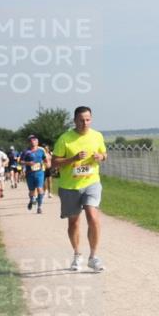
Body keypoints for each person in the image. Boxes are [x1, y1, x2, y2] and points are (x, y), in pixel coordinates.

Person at [52, 107, 107, 272]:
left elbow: (105, 154)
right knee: (74, 222)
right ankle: (77, 255)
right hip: (70, 186)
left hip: (91, 182)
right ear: (74, 120)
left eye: (88, 119)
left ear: (91, 119)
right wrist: (73, 159)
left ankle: (93, 257)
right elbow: (54, 162)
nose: (85, 123)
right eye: (81, 120)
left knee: (93, 216)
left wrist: (101, 157)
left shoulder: (97, 136)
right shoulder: (65, 139)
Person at [21, 135, 51, 214]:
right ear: (28, 142)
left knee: (40, 188)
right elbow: (20, 161)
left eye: (34, 140)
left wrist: (47, 163)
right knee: (31, 190)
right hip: (29, 173)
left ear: (37, 142)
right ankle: (32, 200)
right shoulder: (26, 151)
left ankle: (39, 207)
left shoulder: (41, 150)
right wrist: (28, 163)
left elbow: (45, 159)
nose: (33, 142)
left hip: (39, 172)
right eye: (31, 141)